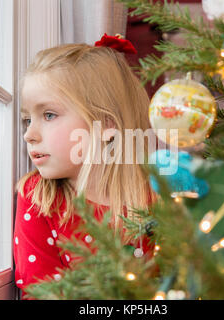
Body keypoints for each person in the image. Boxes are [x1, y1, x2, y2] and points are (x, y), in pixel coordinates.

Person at [13, 34, 159, 299]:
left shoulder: (156, 199)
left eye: (48, 115)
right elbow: (40, 292)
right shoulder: (39, 198)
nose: (29, 134)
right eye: (27, 120)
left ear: (105, 124)